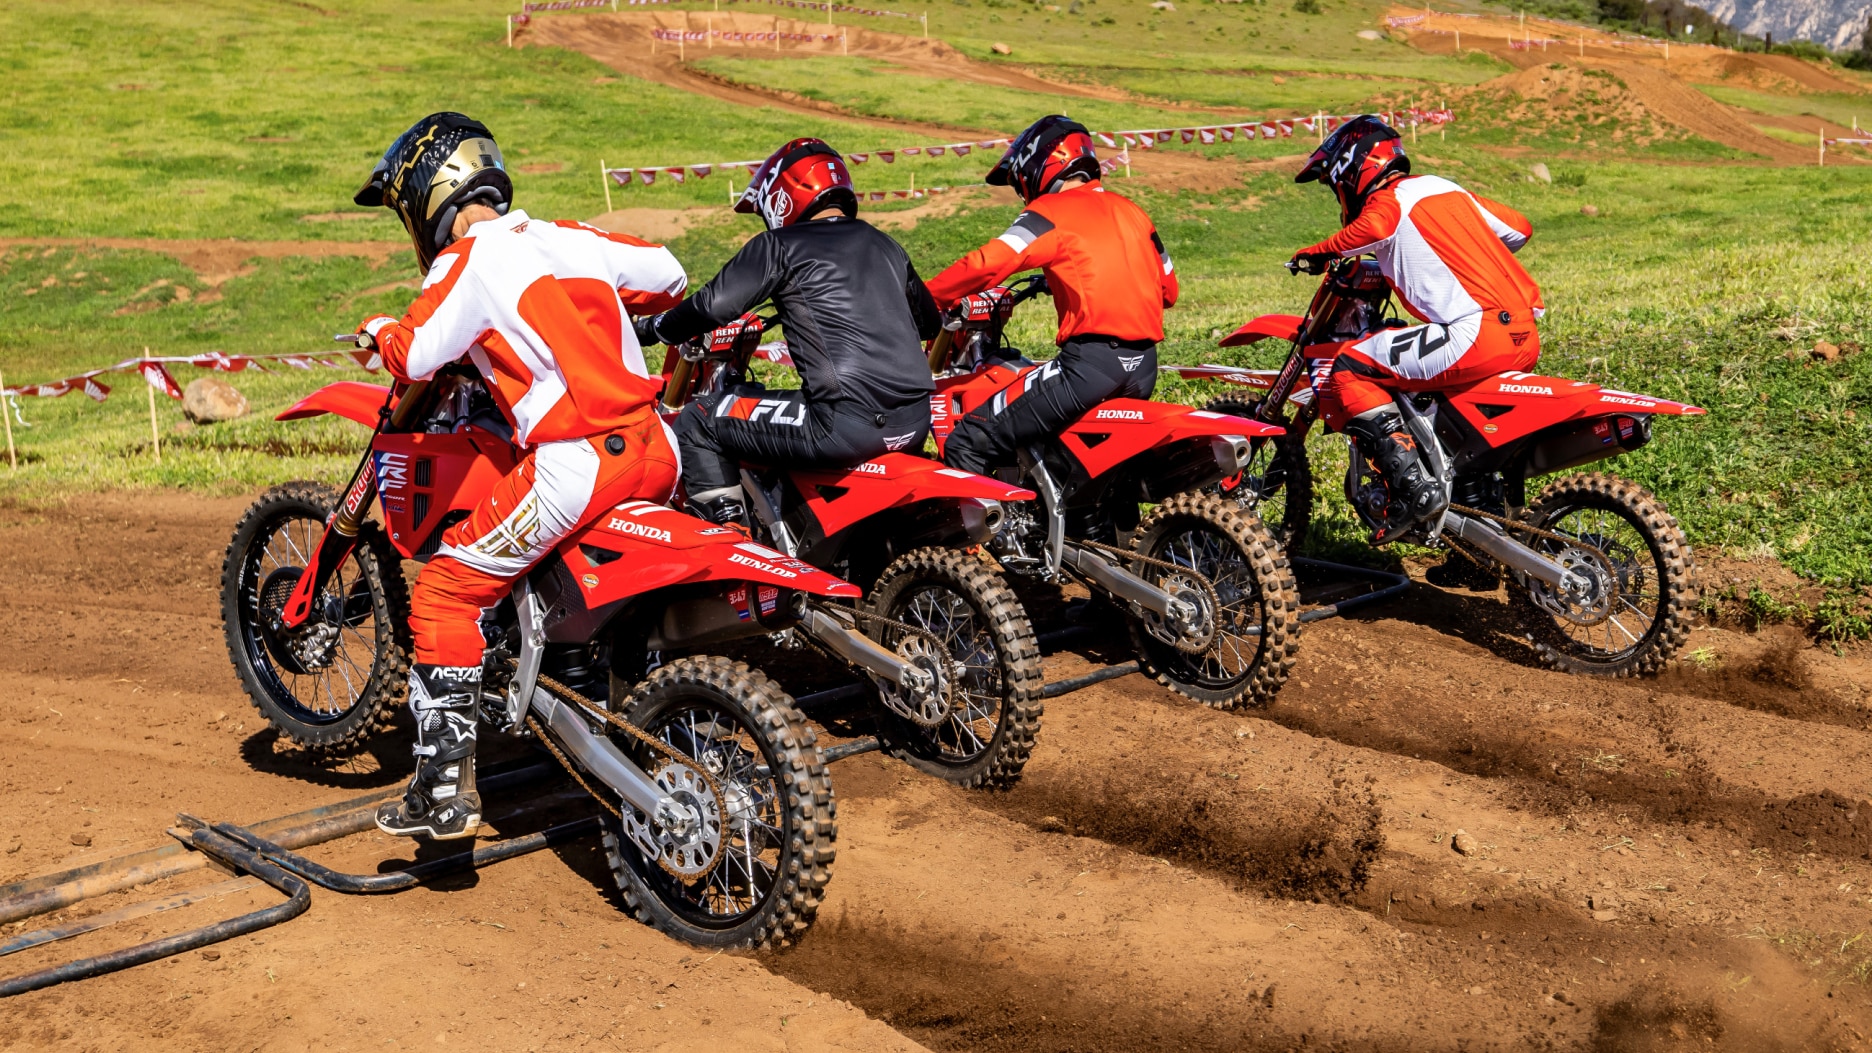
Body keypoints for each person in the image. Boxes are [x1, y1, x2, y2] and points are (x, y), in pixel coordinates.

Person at [352, 112, 688, 839]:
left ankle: (441, 792)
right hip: (658, 446)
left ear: (426, 198)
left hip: (579, 456)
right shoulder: (565, 237)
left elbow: (415, 356)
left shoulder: (467, 261)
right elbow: (670, 273)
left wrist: (379, 328)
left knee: (445, 589)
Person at [637, 137, 941, 525]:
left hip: (842, 425)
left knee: (699, 420)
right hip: (914, 422)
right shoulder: (884, 243)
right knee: (767, 405)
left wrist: (651, 328)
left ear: (780, 195)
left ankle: (733, 541)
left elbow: (713, 306)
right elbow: (929, 323)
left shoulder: (779, 245)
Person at [1289, 114, 1543, 544]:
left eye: (1335, 185)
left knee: (1350, 365)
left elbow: (1376, 227)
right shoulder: (1443, 187)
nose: (1338, 196)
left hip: (1474, 335)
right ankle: (1476, 538)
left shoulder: (1389, 200)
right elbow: (1520, 228)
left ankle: (1414, 494)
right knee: (1451, 424)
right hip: (1522, 333)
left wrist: (1317, 252)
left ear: (1352, 169)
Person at [923, 115, 1178, 476]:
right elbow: (1170, 291)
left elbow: (986, 264)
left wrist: (926, 297)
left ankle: (983, 534)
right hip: (1144, 367)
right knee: (1093, 464)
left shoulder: (1049, 212)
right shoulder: (1134, 212)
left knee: (970, 438)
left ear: (1037, 164)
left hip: (1089, 368)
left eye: (1018, 184)